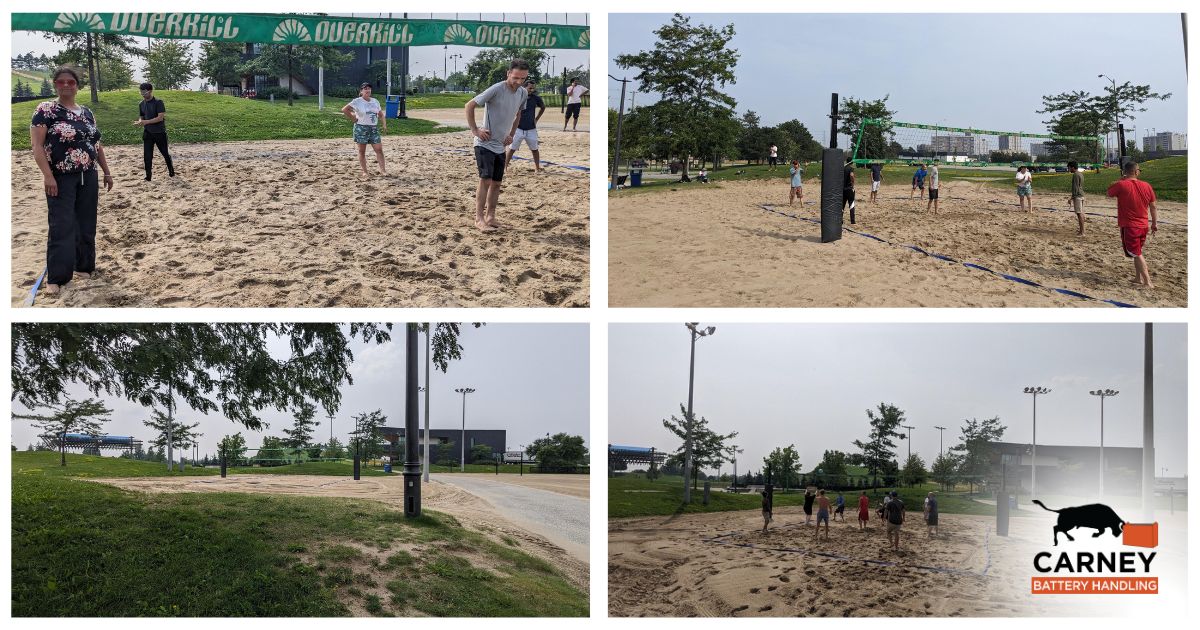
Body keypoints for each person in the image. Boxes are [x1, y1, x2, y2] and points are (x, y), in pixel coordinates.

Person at [30, 66, 114, 297]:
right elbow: (37, 146)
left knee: (86, 223)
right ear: (55, 84)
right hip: (61, 177)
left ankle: (84, 265)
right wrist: (48, 175)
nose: (66, 85)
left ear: (77, 85)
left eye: (71, 82)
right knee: (61, 225)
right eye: (61, 82)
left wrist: (106, 171)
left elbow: (97, 145)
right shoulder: (46, 110)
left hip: (89, 174)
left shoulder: (86, 112)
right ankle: (58, 276)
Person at [466, 59, 529, 232]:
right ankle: (479, 218)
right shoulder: (496, 89)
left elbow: (518, 115)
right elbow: (469, 105)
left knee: (496, 183)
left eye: (522, 78)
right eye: (515, 77)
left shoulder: (523, 93)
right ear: (508, 73)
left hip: (500, 145)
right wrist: (475, 130)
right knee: (485, 180)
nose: (518, 82)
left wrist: (511, 134)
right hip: (484, 143)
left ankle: (491, 217)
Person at [1106, 160, 1158, 288]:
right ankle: (1138, 278)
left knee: (1136, 253)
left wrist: (1120, 179)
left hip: (1130, 225)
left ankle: (1147, 281)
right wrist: (1154, 223)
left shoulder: (1121, 184)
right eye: (1139, 170)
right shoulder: (1147, 185)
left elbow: (1109, 192)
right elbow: (1153, 207)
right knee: (1137, 252)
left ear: (1125, 172)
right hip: (1143, 225)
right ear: (1135, 171)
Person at [341, 82, 387, 179]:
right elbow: (345, 109)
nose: (368, 90)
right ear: (361, 91)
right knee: (362, 151)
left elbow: (381, 114)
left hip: (373, 128)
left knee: (379, 149)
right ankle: (365, 172)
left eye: (369, 88)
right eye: (365, 88)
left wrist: (384, 124)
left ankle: (383, 171)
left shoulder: (375, 101)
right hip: (361, 128)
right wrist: (353, 118)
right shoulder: (357, 101)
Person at [132, 82, 174, 181]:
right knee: (147, 155)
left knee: (165, 153)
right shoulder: (141, 104)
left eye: (144, 92)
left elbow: (160, 118)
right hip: (148, 133)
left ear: (150, 91)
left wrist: (146, 122)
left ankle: (171, 171)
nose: (143, 94)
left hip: (159, 132)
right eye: (141, 92)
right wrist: (139, 122)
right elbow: (141, 117)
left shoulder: (159, 102)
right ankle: (148, 176)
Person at [505, 80, 546, 171]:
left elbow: (543, 107)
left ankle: (537, 167)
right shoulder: (517, 96)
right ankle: (505, 167)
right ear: (524, 87)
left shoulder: (536, 98)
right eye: (530, 88)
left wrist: (536, 119)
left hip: (531, 129)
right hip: (518, 128)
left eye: (533, 88)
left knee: (535, 149)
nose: (532, 90)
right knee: (512, 149)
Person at [1068, 160, 1086, 235]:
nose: (1069, 169)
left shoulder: (1075, 175)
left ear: (1073, 167)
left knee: (1079, 214)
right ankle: (1082, 230)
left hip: (1078, 196)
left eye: (1069, 168)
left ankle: (1082, 232)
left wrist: (1071, 198)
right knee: (1081, 213)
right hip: (1082, 195)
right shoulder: (1080, 174)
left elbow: (1075, 188)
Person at [843, 158, 857, 224]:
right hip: (849, 189)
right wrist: (853, 183)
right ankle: (852, 221)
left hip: (842, 189)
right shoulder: (850, 168)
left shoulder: (843, 168)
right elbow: (851, 175)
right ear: (851, 162)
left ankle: (840, 221)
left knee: (842, 205)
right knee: (851, 205)